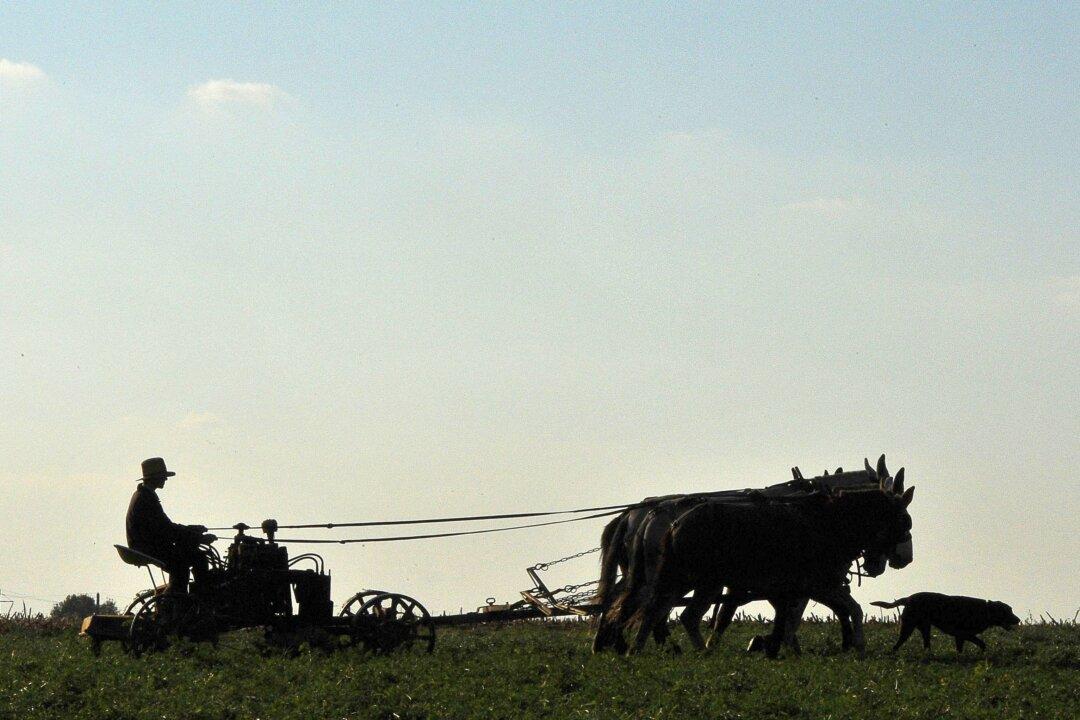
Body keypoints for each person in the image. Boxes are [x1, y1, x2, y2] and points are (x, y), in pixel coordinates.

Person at [126, 457, 216, 594]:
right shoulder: (146, 499)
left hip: (147, 544)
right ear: (154, 478)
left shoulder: (143, 495)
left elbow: (165, 526)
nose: (165, 480)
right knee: (193, 560)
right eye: (163, 476)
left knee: (191, 557)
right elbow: (166, 529)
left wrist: (191, 529)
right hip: (148, 547)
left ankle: (187, 599)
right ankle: (182, 602)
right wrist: (198, 538)